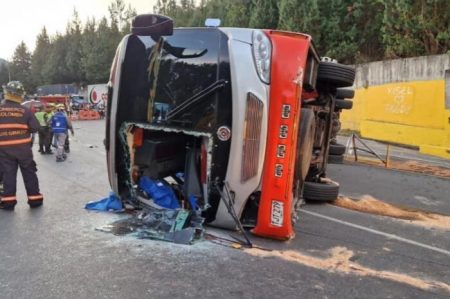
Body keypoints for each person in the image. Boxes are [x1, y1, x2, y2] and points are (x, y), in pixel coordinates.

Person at [0, 81, 43, 210]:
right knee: (29, 173)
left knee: (8, 175)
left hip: (4, 150)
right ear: (20, 95)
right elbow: (35, 127)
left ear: (6, 93)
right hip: (24, 149)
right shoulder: (26, 111)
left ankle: (8, 202)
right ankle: (34, 199)